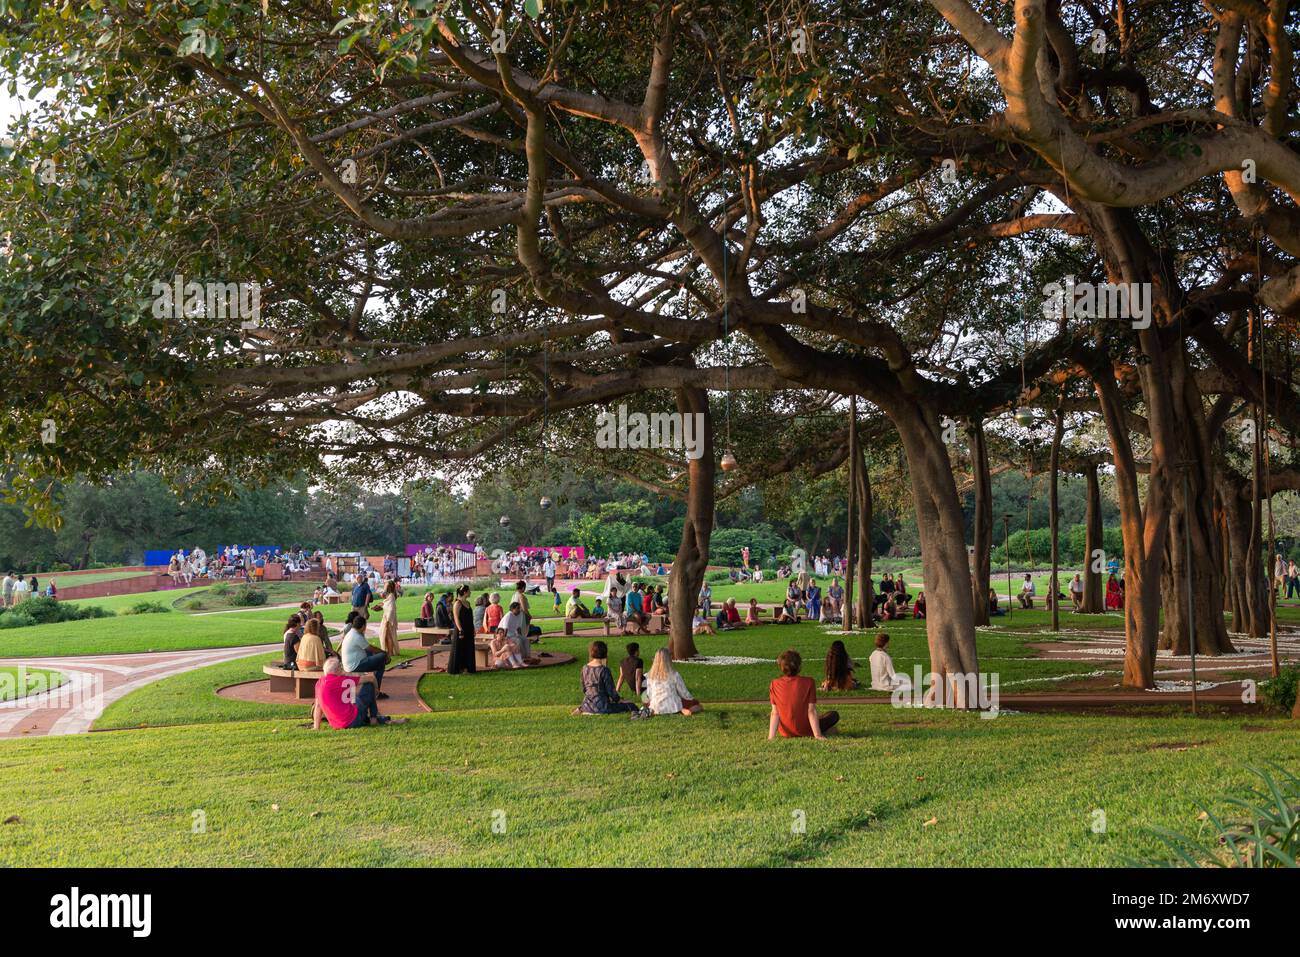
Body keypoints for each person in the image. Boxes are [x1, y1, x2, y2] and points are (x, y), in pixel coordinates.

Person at [312, 656, 406, 730]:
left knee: (354, 698)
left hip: (337, 724)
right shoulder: (340, 680)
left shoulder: (319, 683)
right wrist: (376, 690)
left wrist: (316, 727)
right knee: (368, 685)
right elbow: (371, 678)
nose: (342, 669)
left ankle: (379, 719)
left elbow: (318, 706)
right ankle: (374, 718)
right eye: (340, 667)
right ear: (336, 670)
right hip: (352, 720)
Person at [768, 649, 838, 739]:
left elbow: (775, 713)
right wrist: (818, 735)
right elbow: (811, 711)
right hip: (806, 729)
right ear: (799, 666)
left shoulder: (774, 684)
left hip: (785, 732)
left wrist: (770, 737)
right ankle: (820, 729)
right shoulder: (809, 682)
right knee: (833, 715)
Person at [573, 641, 638, 715]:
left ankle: (581, 709)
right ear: (605, 652)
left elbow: (584, 688)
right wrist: (620, 700)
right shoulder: (604, 670)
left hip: (587, 705)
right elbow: (611, 691)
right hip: (603, 706)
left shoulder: (584, 668)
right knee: (631, 705)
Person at [642, 647, 702, 716]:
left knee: (650, 703)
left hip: (656, 707)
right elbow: (684, 693)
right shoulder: (674, 674)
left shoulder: (649, 676)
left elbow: (649, 694)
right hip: (674, 706)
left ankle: (657, 710)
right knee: (697, 705)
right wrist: (693, 700)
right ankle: (683, 710)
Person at [341, 615, 389, 697]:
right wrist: (385, 653)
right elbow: (371, 648)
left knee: (380, 664)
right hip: (355, 665)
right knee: (381, 657)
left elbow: (368, 649)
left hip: (354, 662)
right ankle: (375, 693)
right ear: (363, 626)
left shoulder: (352, 633)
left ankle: (375, 692)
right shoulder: (356, 636)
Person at [447, 584, 477, 675]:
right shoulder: (457, 603)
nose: (470, 592)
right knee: (460, 648)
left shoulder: (468, 603)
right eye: (469, 591)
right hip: (461, 629)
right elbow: (456, 618)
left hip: (469, 628)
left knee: (469, 648)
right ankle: (458, 668)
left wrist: (473, 628)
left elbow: (470, 617)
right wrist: (460, 629)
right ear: (465, 592)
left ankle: (468, 668)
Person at [371, 579, 400, 658]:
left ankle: (390, 652)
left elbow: (391, 609)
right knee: (384, 635)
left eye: (385, 585)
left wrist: (388, 621)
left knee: (388, 635)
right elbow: (385, 605)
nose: (384, 586)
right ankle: (388, 651)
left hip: (389, 619)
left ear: (389, 587)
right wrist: (378, 606)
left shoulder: (391, 596)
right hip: (386, 618)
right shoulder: (389, 596)